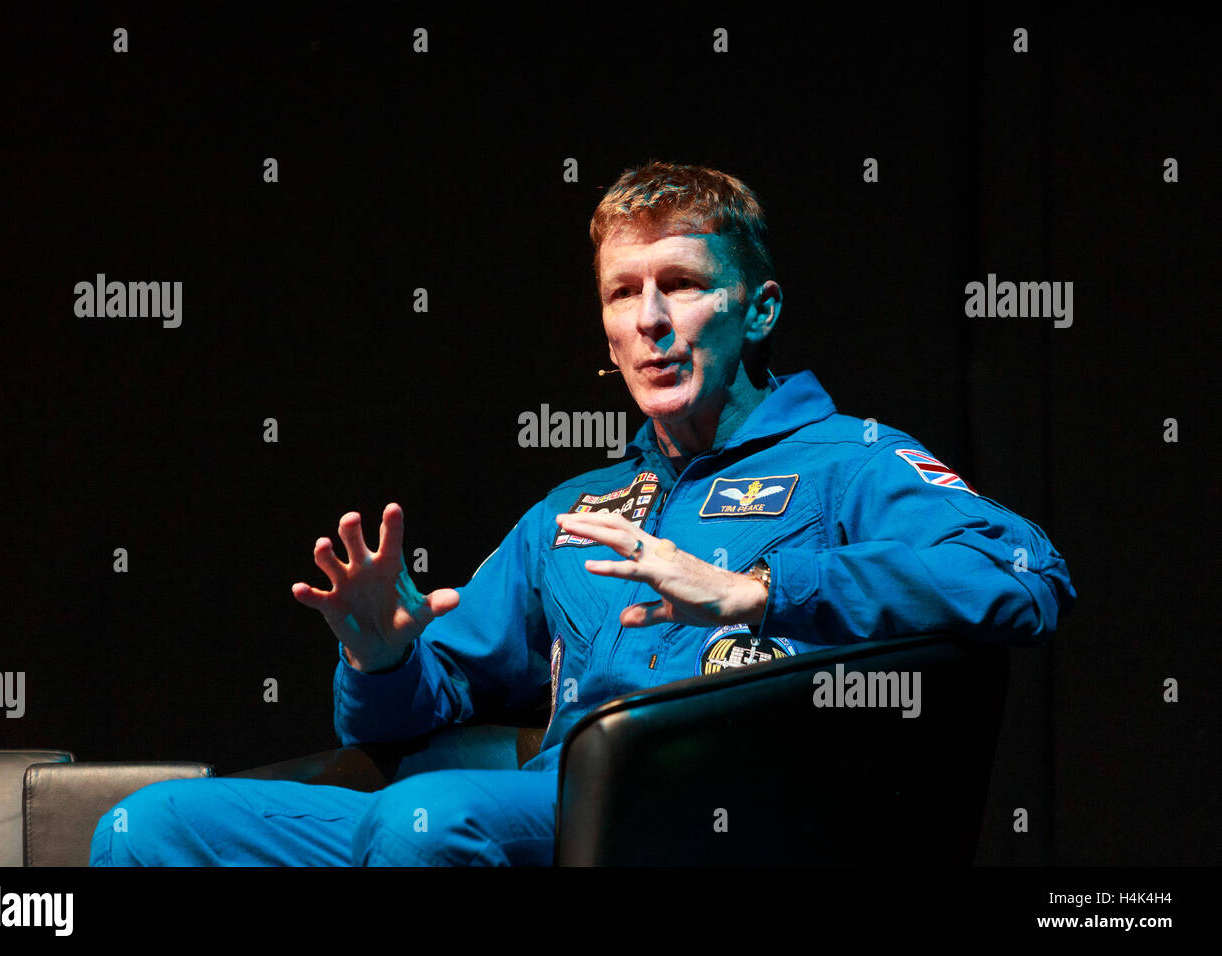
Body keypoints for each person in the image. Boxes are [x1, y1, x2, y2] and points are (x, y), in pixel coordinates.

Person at [90, 161, 1076, 867]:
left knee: (428, 821)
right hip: (546, 810)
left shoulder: (848, 460)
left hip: (720, 819)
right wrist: (381, 652)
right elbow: (425, 704)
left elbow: (1027, 576)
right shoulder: (574, 509)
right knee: (149, 827)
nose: (648, 318)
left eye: (681, 285)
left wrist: (756, 589)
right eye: (623, 291)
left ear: (759, 309)